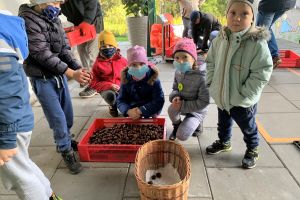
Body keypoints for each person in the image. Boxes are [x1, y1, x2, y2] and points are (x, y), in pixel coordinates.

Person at [19, 0, 92, 174]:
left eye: (60, 3)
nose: (59, 7)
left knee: (67, 115)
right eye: (55, 2)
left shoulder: (54, 18)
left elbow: (65, 49)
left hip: (59, 75)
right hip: (42, 79)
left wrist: (77, 68)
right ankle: (65, 149)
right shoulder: (27, 20)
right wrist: (71, 73)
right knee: (57, 118)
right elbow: (41, 54)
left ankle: (65, 138)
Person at [0, 10, 62, 200]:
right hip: (14, 122)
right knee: (23, 165)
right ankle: (49, 194)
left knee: (20, 178)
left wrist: (7, 139)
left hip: (8, 126)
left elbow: (7, 92)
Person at [205, 0, 273, 169]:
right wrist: (211, 81)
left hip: (242, 98)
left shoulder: (256, 43)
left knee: (248, 126)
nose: (237, 18)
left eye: (244, 14)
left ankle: (252, 148)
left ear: (252, 18)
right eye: (233, 13)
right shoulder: (219, 39)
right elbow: (211, 62)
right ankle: (224, 141)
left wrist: (247, 93)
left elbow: (263, 70)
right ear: (226, 15)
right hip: (222, 94)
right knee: (223, 122)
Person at [168, 38, 209, 141]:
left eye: (185, 57)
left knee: (182, 136)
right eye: (177, 57)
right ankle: (177, 126)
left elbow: (204, 101)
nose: (180, 61)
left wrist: (183, 105)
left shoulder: (202, 77)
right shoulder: (178, 72)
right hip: (182, 103)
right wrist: (175, 96)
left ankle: (197, 122)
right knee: (171, 110)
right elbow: (175, 88)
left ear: (193, 59)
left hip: (197, 110)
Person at [79, 30, 128, 117]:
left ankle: (125, 105)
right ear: (99, 48)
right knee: (110, 95)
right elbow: (94, 83)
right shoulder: (97, 65)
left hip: (121, 87)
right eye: (104, 46)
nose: (107, 48)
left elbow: (130, 75)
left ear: (116, 47)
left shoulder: (123, 61)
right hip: (106, 88)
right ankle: (112, 105)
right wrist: (109, 85)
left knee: (126, 108)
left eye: (110, 45)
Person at [61, 0, 104, 96]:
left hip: (93, 22)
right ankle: (87, 78)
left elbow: (92, 3)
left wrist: (87, 22)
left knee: (93, 53)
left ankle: (95, 85)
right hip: (79, 26)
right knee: (82, 52)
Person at [117, 45, 165, 120]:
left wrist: (141, 110)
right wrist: (128, 111)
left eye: (142, 64)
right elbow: (121, 100)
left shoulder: (154, 79)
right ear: (128, 66)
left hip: (150, 108)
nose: (138, 68)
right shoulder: (125, 79)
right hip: (133, 108)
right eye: (133, 65)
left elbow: (158, 100)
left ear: (146, 64)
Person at [256, 0, 296, 68]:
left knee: (261, 31)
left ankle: (260, 61)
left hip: (271, 3)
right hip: (288, 2)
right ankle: (274, 55)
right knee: (266, 29)